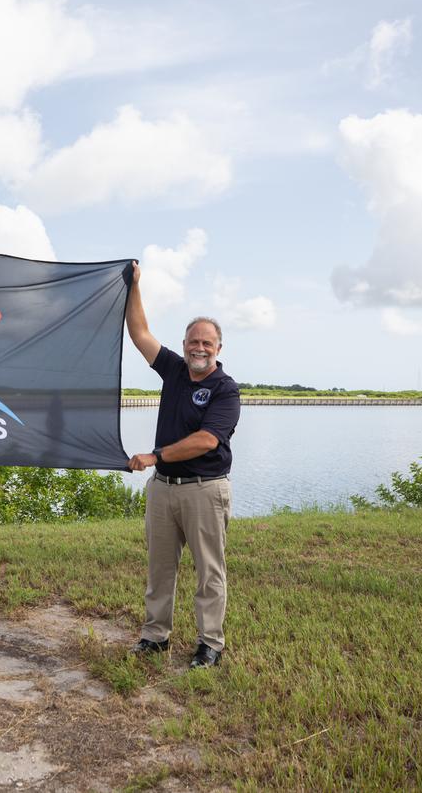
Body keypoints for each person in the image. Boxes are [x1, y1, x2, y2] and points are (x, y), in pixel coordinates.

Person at [123, 261, 241, 669]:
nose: (199, 348)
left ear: (218, 349)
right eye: (194, 341)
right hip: (162, 489)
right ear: (185, 343)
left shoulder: (225, 389)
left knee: (209, 572)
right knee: (160, 569)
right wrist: (133, 285)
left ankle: (210, 644)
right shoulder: (174, 369)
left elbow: (207, 440)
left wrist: (155, 455)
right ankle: (155, 636)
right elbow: (139, 334)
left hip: (205, 490)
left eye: (207, 343)